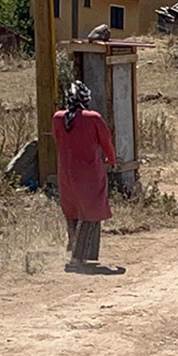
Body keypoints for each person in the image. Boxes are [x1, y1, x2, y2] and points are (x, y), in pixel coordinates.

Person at [53, 81, 117, 271]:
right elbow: (106, 142)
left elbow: (58, 140)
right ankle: (78, 257)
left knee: (72, 211)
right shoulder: (93, 118)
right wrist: (112, 161)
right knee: (92, 212)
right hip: (89, 173)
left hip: (65, 171)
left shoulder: (57, 118)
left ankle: (74, 247)